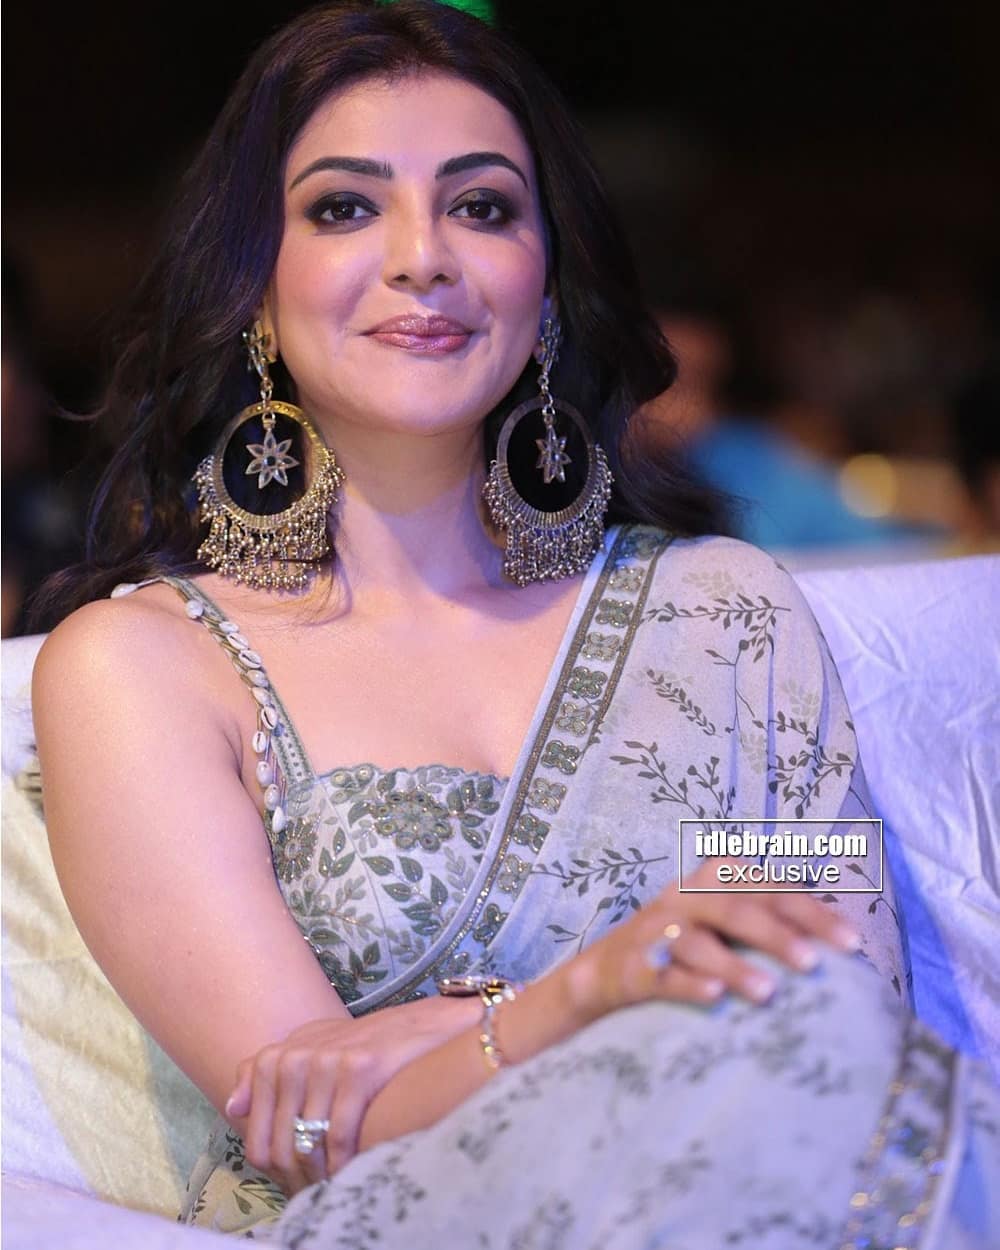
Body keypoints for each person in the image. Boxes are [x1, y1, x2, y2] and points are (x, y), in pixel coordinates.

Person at [30, 2, 997, 1246]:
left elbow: (826, 978)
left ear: (545, 286)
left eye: (482, 207)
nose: (421, 256)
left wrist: (461, 1022)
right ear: (256, 292)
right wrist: (583, 992)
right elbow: (306, 1117)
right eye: (345, 207)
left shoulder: (718, 612)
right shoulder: (145, 665)